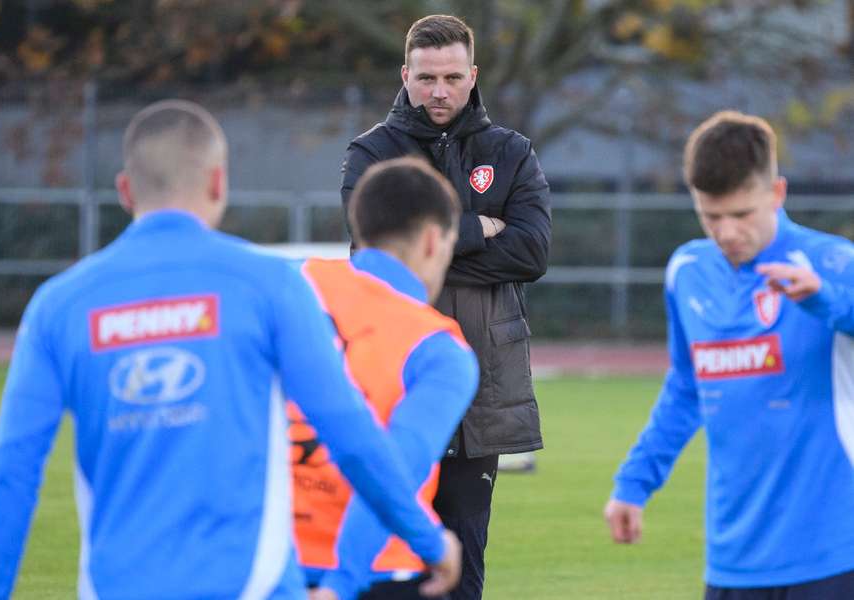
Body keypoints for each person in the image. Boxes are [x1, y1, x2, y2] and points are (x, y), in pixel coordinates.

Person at [0, 100, 461, 599]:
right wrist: (429, 541)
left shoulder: (59, 306)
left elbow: (12, 474)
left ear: (124, 190)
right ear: (218, 183)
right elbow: (351, 436)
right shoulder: (269, 285)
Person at [340, 15, 552, 598]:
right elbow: (371, 250)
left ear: (473, 76)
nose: (439, 91)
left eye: (453, 77)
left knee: (465, 552)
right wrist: (482, 228)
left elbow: (531, 252)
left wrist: (432, 243)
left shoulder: (510, 152)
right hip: (394, 379)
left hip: (482, 382)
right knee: (386, 549)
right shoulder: (372, 152)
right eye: (427, 77)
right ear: (405, 74)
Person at [604, 110, 854, 599]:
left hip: (832, 551)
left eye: (741, 215)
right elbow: (685, 387)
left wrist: (825, 299)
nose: (726, 233)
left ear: (777, 194)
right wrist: (634, 482)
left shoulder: (832, 263)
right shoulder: (688, 271)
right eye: (710, 216)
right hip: (732, 559)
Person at [293, 157, 480, 600]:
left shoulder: (296, 285)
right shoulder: (439, 348)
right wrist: (343, 581)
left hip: (260, 562)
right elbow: (392, 469)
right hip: (373, 573)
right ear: (435, 241)